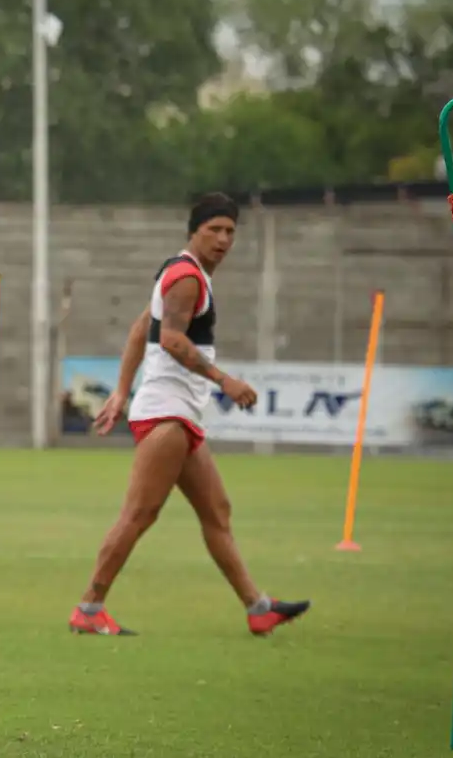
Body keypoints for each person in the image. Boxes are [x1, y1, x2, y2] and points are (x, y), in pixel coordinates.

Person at [71, 192, 310, 637]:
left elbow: (142, 328)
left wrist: (122, 392)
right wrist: (225, 381)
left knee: (217, 511)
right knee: (139, 515)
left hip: (177, 414)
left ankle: (257, 608)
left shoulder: (184, 271)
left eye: (230, 232)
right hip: (167, 415)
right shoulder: (187, 278)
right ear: (193, 232)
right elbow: (174, 341)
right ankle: (88, 608)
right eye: (213, 230)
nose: (223, 239)